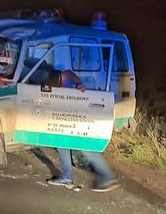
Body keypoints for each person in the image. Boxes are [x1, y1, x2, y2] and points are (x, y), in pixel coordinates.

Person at [29, 63, 120, 192]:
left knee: (85, 147)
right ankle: (67, 177)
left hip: (78, 116)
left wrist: (78, 83)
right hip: (71, 117)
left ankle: (107, 177)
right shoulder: (45, 78)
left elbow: (67, 73)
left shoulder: (49, 77)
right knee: (63, 144)